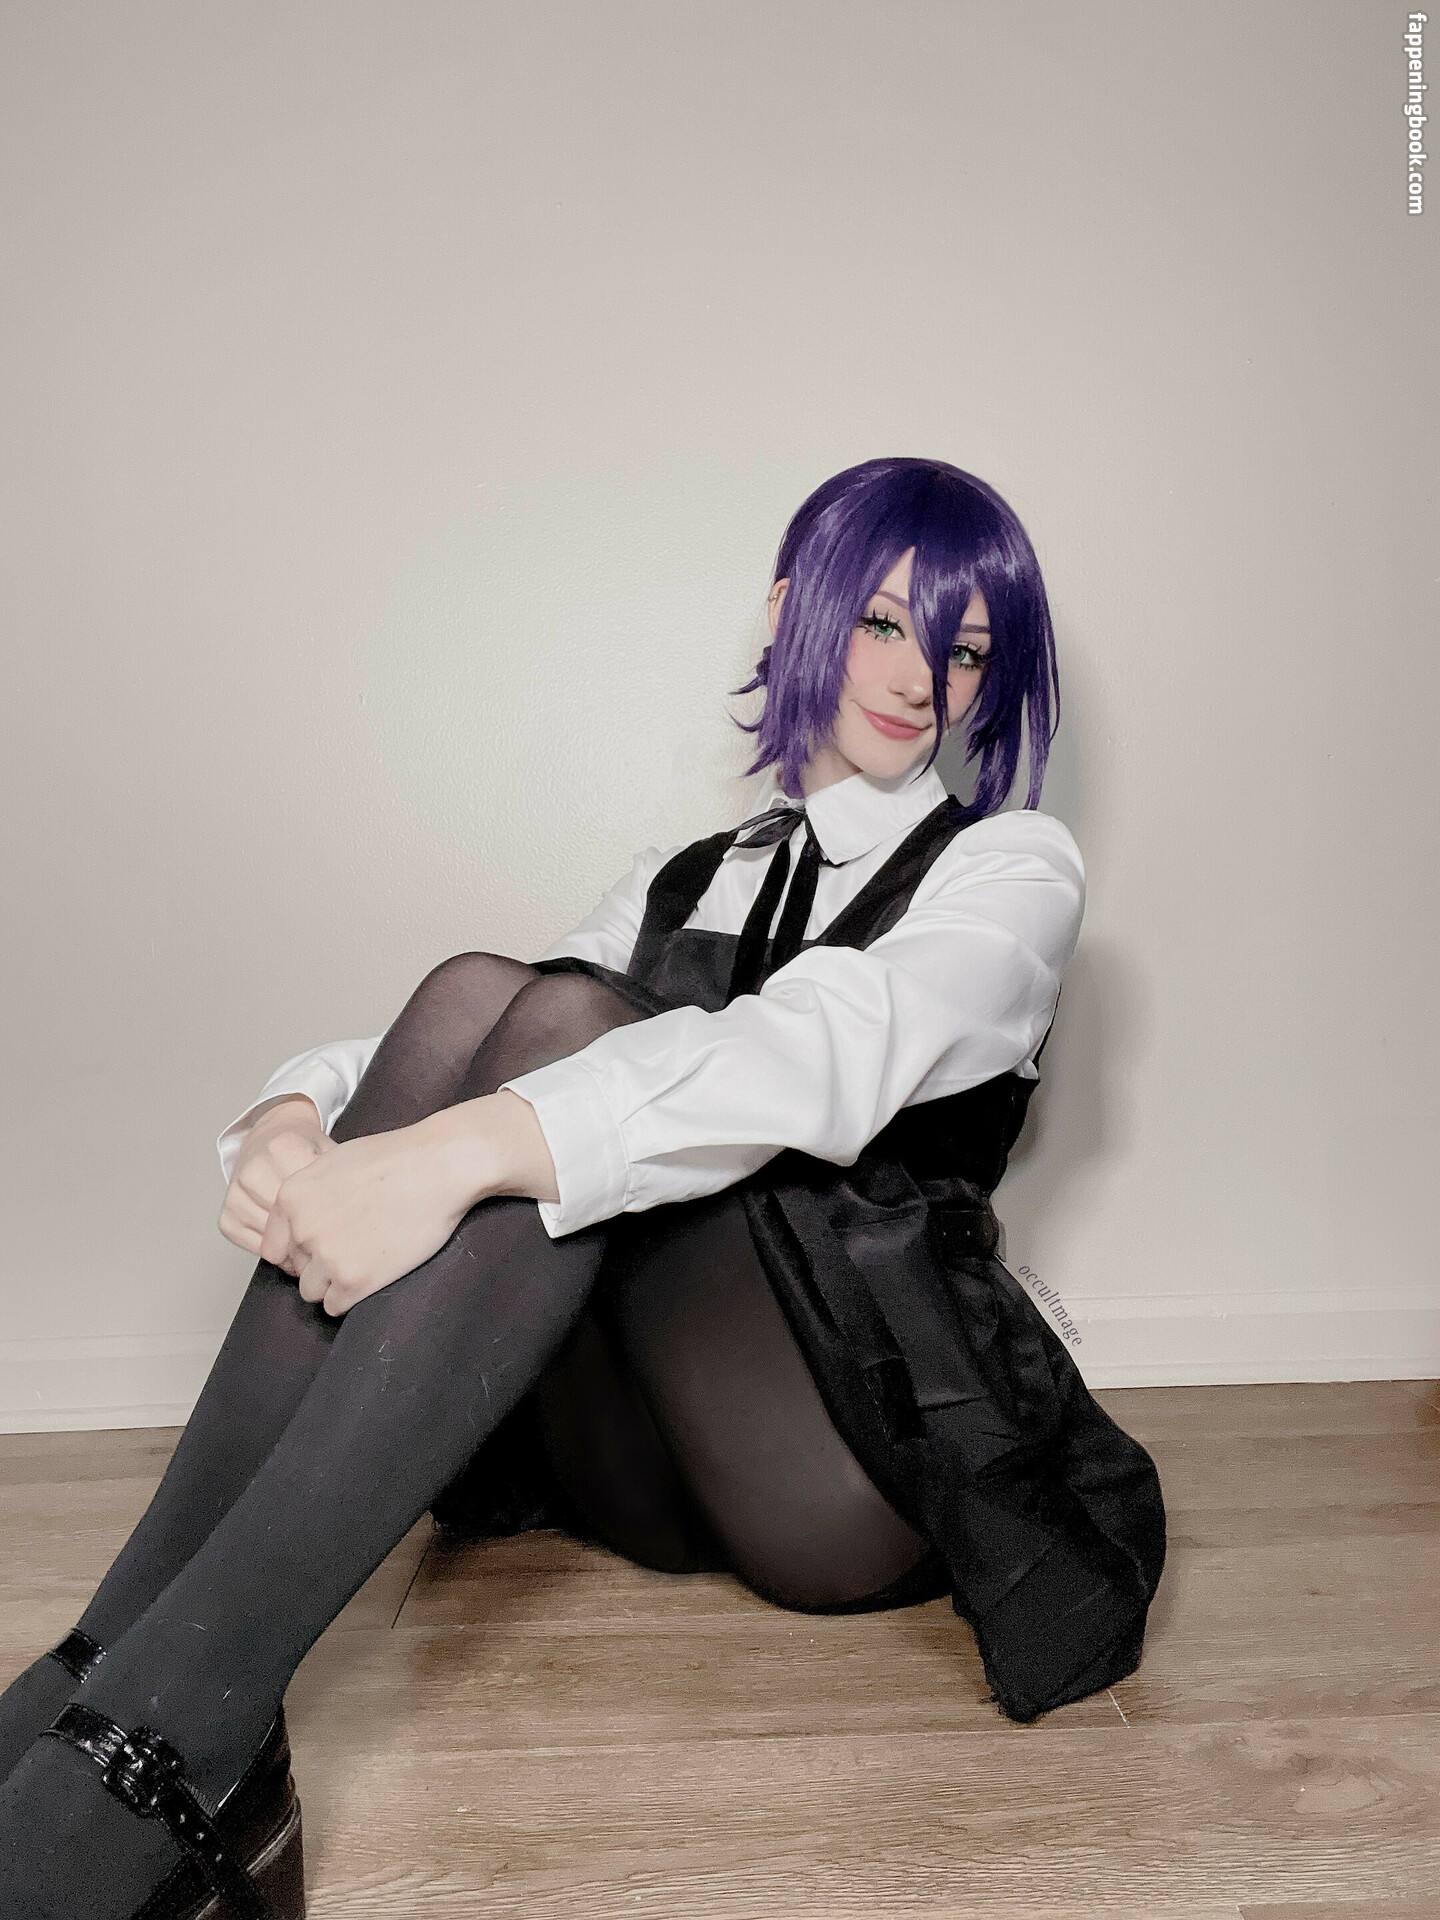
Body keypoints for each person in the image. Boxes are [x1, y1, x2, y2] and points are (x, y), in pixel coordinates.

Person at [0, 456, 1166, 1919]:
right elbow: (477, 1044)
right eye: (882, 622)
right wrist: (296, 1121)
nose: (921, 678)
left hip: (845, 1458)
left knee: (558, 1034)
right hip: (640, 1458)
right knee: (490, 997)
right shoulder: (689, 874)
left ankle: (174, 1724)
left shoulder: (1010, 870)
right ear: (790, 611)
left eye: (967, 650)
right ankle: (109, 1661)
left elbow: (818, 1054)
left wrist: (455, 1153)